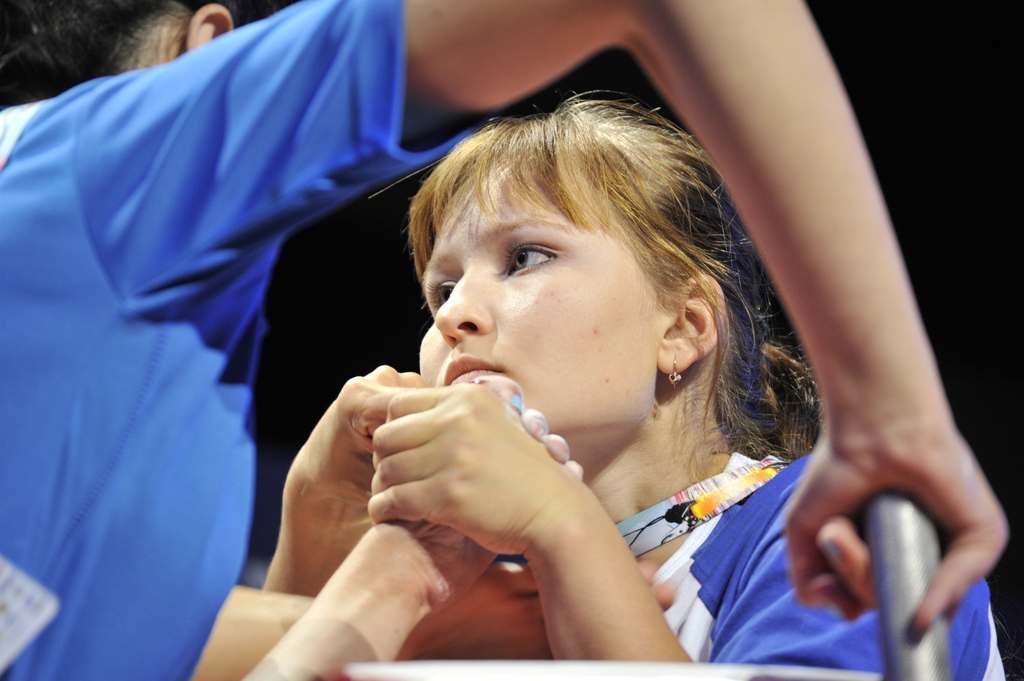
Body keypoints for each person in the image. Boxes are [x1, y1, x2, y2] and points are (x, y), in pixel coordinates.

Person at [0, 0, 1005, 677]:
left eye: (524, 259)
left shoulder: (815, 537)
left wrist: (564, 531)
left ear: (685, 326)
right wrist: (313, 551)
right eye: (439, 284)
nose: (455, 314)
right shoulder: (450, 583)